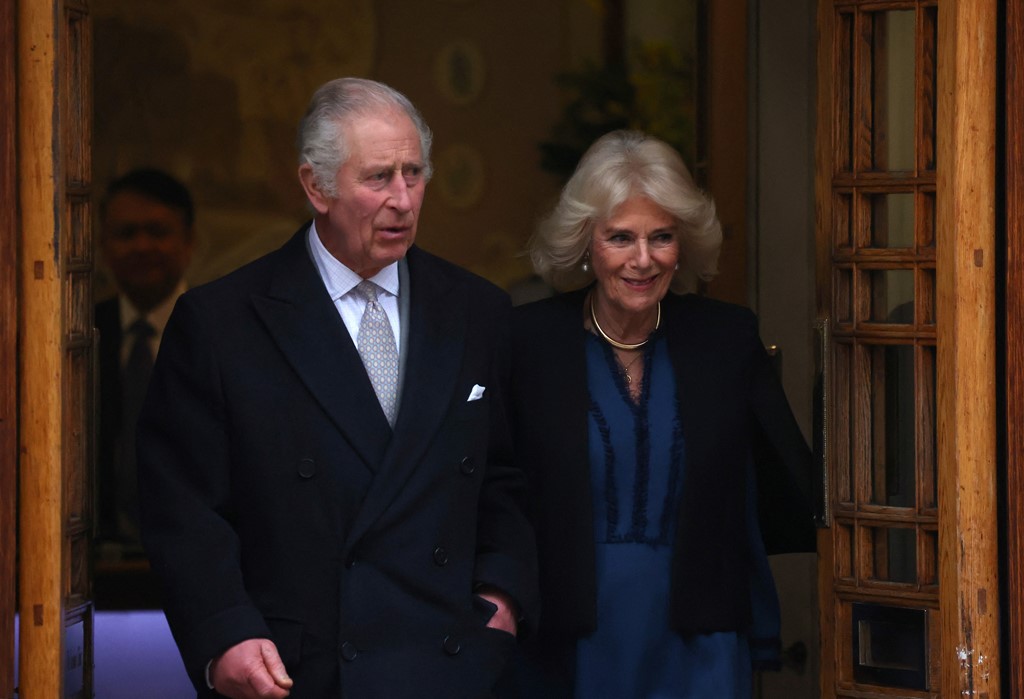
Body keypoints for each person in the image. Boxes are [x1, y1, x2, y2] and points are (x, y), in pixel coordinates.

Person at [136, 77, 538, 698]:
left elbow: (504, 476)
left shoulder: (478, 310)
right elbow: (182, 507)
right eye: (379, 177)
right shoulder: (222, 323)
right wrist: (225, 632)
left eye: (414, 173)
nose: (403, 200)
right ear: (315, 187)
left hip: (449, 664)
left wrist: (501, 597)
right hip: (299, 672)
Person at [506, 130, 816, 698]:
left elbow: (756, 496)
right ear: (586, 242)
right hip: (571, 640)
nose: (643, 260)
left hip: (701, 640)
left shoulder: (725, 339)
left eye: (662, 237)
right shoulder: (527, 345)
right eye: (620, 237)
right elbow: (498, 493)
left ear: (684, 243)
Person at [95, 168, 195, 555]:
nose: (141, 246)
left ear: (188, 240)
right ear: (104, 246)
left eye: (157, 232)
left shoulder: (221, 329)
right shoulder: (79, 335)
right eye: (126, 234)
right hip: (102, 564)